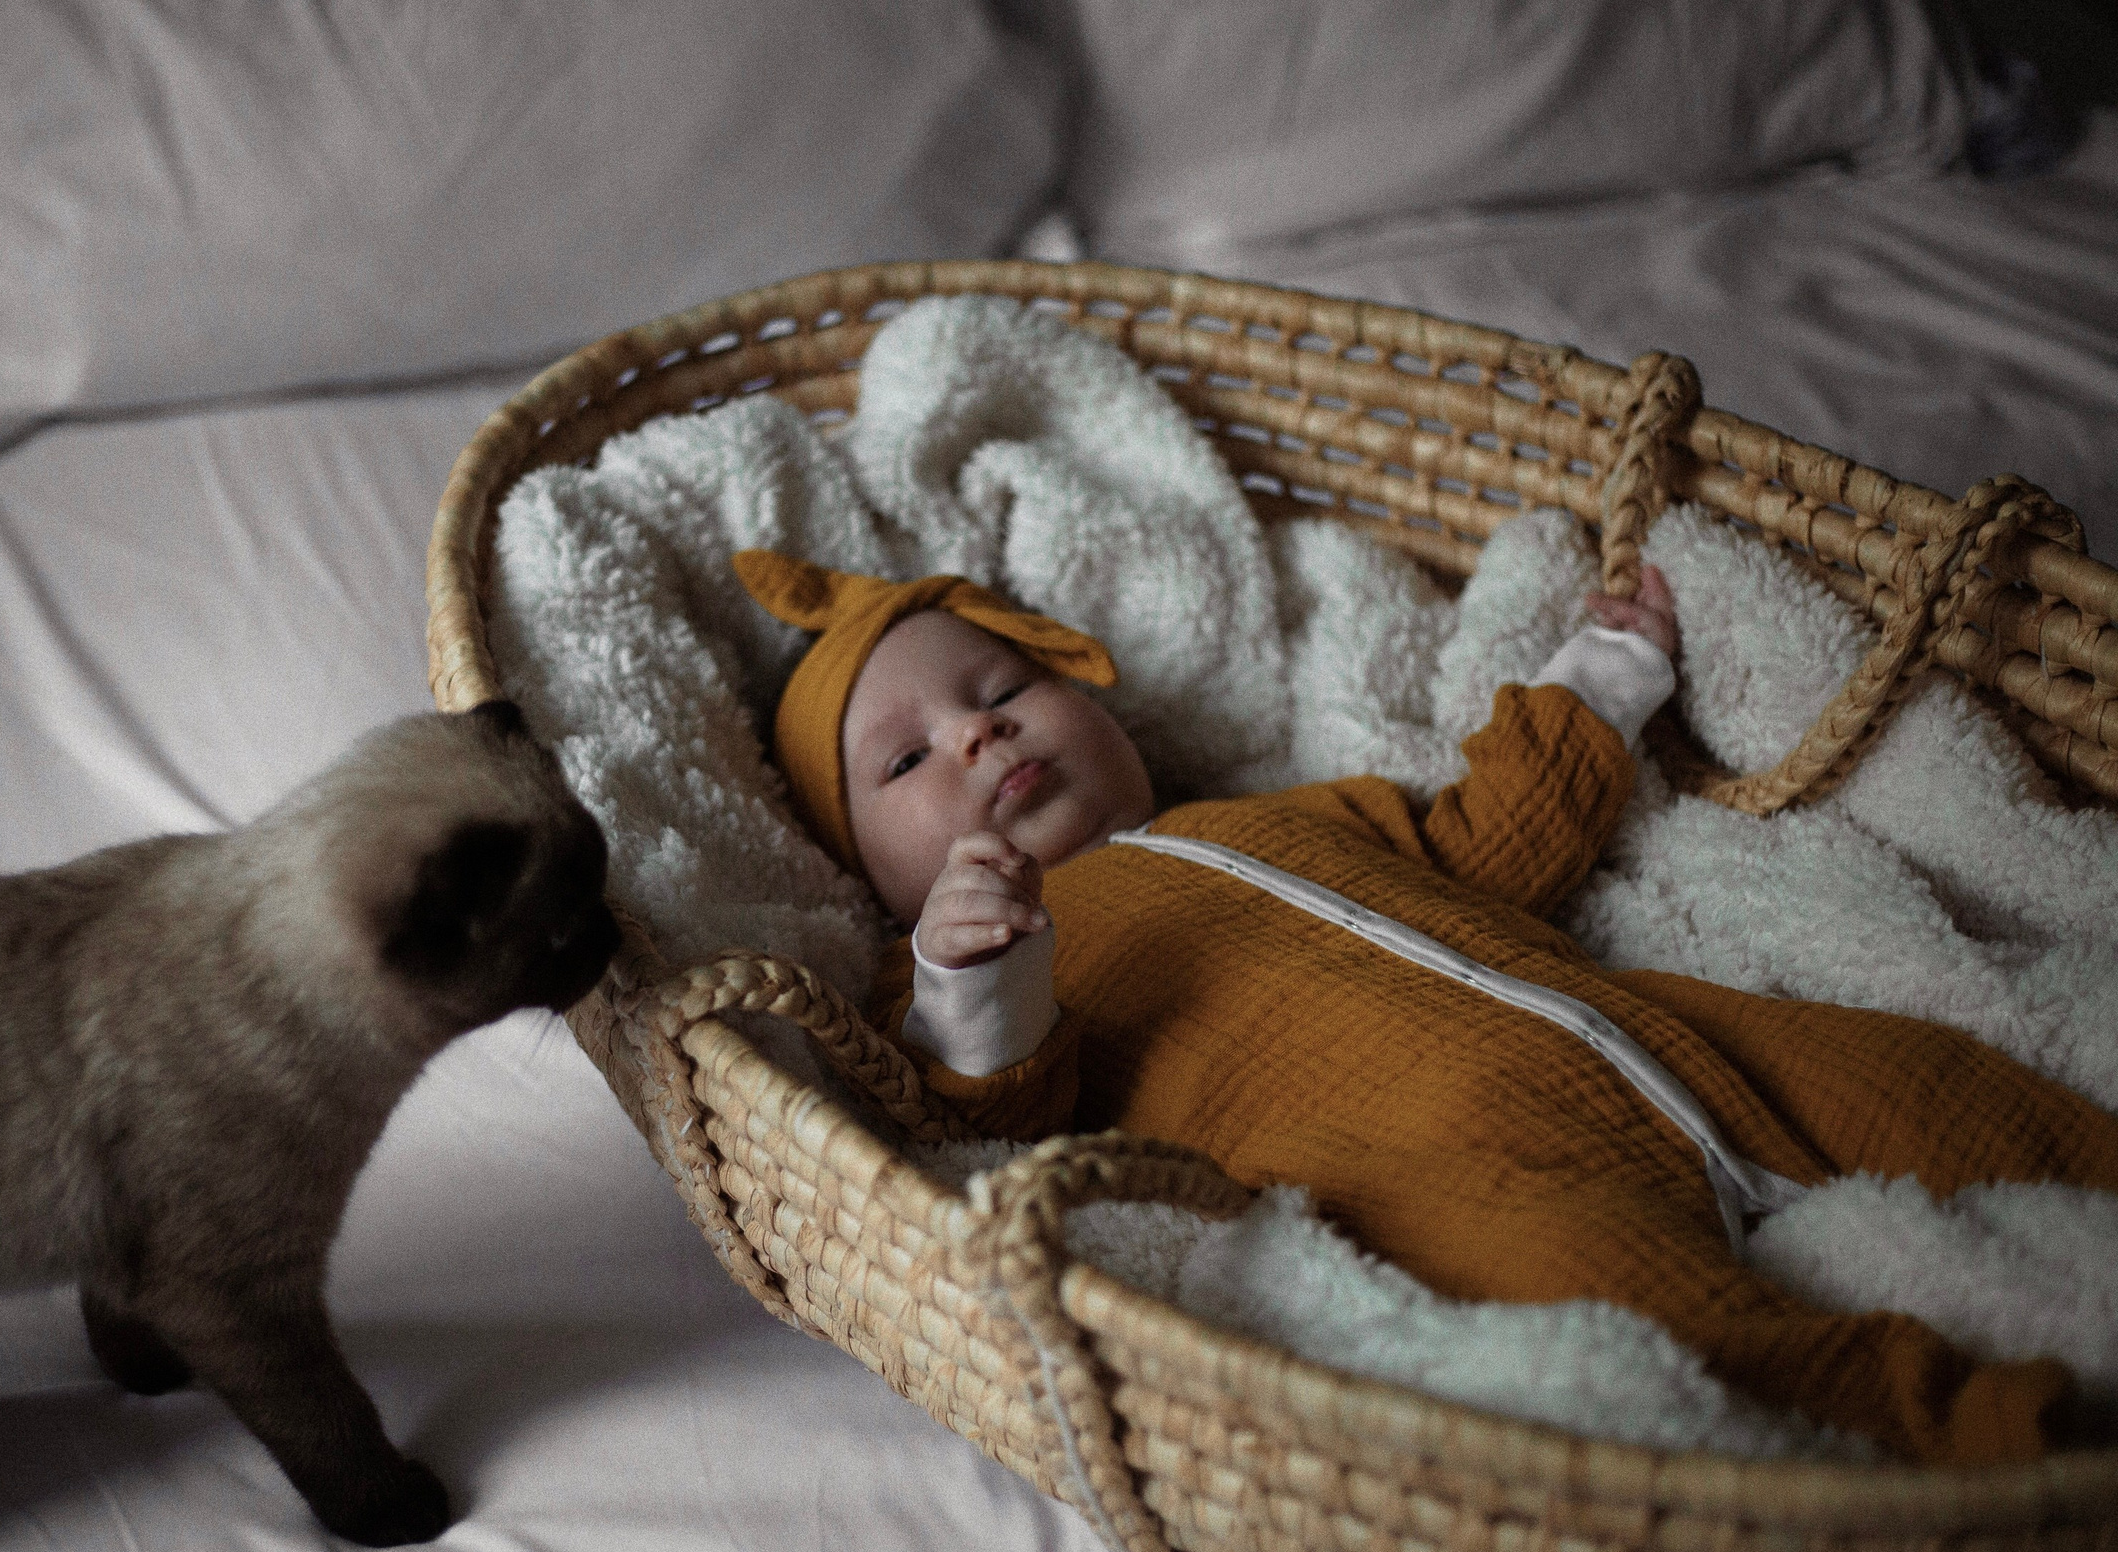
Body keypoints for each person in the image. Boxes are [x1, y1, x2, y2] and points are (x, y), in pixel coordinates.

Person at [732, 547, 2118, 1464]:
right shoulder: (982, 965)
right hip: (1455, 1171)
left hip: (1651, 1039)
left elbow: (1489, 844)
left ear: (1100, 709)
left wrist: (1600, 681)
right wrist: (978, 984)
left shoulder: (1285, 817)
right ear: (877, 879)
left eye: (1003, 687)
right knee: (1609, 1309)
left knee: (1915, 1077)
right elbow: (1000, 1120)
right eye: (907, 757)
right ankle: (1965, 1435)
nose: (979, 734)